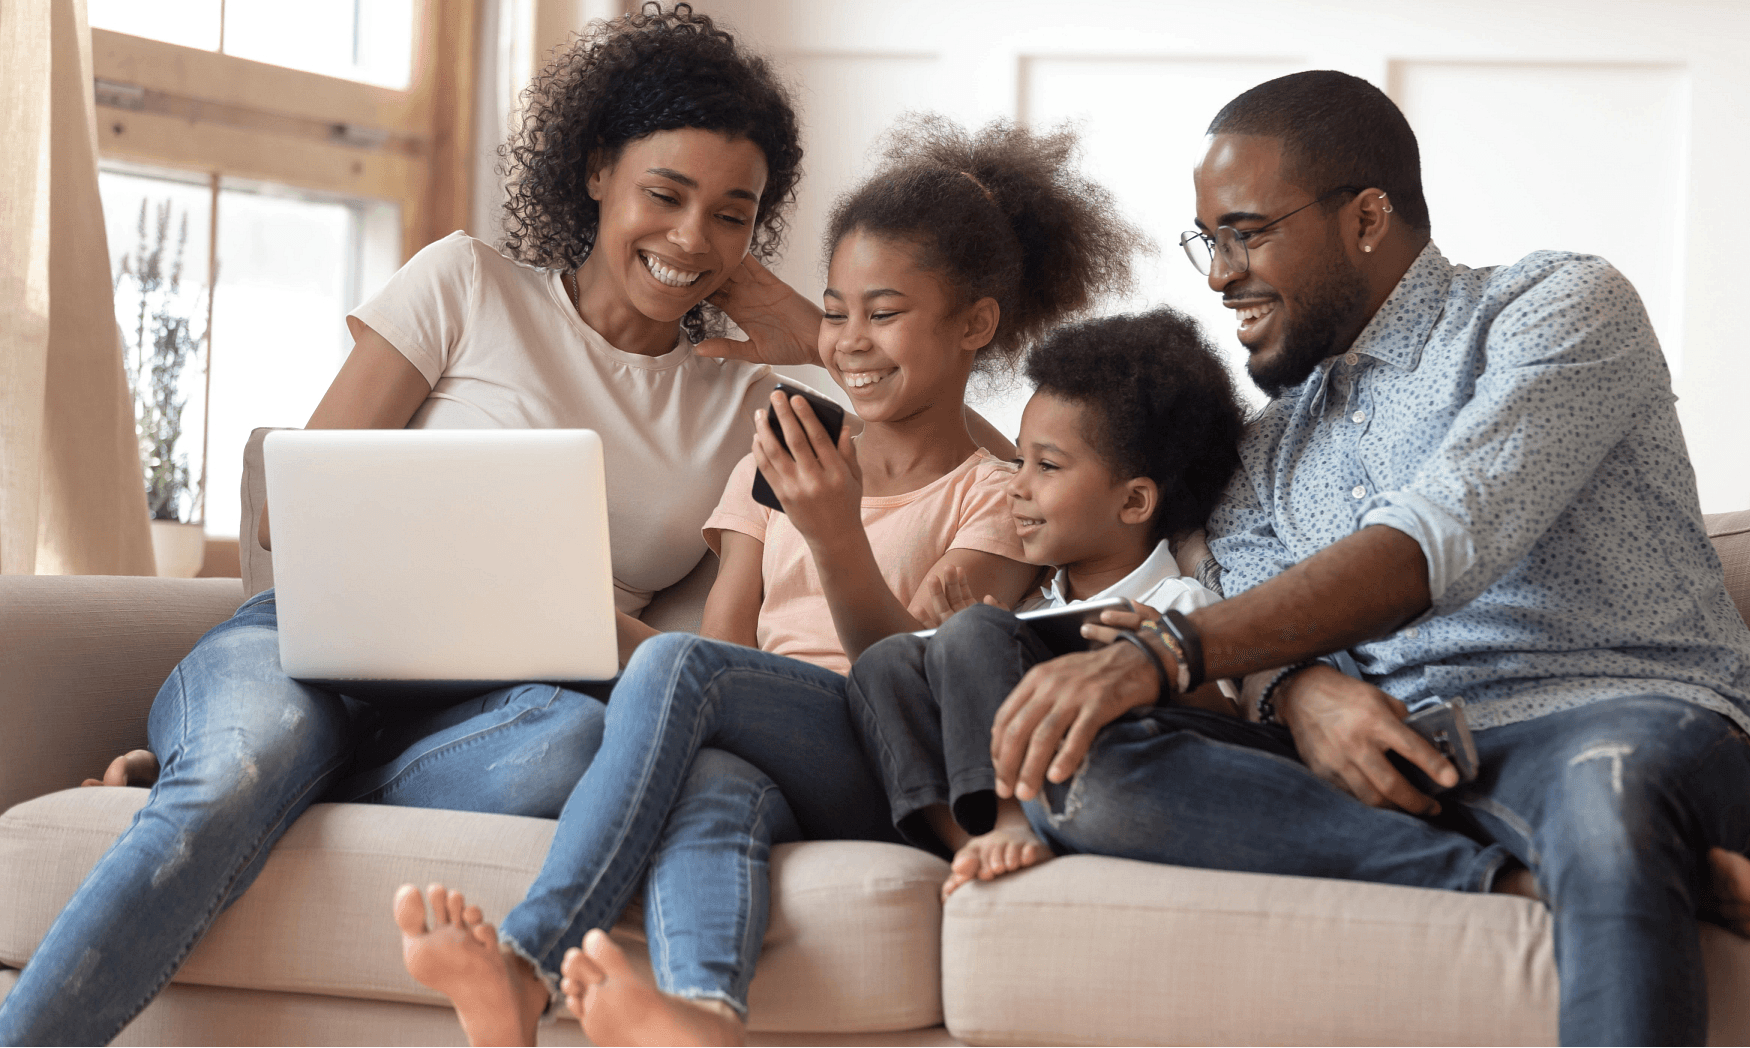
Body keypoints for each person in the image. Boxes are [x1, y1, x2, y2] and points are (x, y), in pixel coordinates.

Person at [0, 7, 846, 1043]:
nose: (690, 239)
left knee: (577, 741)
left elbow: (979, 469)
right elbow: (297, 503)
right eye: (664, 195)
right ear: (595, 175)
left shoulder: (746, 401)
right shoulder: (468, 284)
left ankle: (258, 770)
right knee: (243, 764)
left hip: (514, 714)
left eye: (731, 213)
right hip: (305, 656)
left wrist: (821, 338)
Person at [985, 70, 1750, 1045]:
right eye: (1210, 241)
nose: (1218, 275)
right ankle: (1536, 868)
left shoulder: (1557, 307)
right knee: (1079, 769)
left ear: (1367, 217)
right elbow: (1254, 609)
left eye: (1245, 233)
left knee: (1604, 787)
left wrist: (1165, 649)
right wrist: (1302, 692)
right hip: (1400, 754)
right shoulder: (1269, 447)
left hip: (1620, 714)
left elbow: (1436, 539)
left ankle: (1610, 845)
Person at [389, 115, 1146, 1047]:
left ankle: (529, 958)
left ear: (975, 325)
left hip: (892, 764)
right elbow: (727, 640)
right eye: (834, 312)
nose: (851, 342)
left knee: (681, 673)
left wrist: (835, 536)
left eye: (885, 312)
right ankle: (703, 1014)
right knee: (713, 779)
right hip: (777, 745)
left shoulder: (996, 499)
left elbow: (913, 677)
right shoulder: (781, 455)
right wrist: (559, 608)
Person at [845, 307, 1245, 900]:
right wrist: (958, 655)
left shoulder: (1179, 602)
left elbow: (1230, 727)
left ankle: (1012, 823)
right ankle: (969, 839)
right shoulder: (1029, 611)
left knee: (978, 632)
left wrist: (1163, 662)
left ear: (1134, 502)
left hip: (1121, 780)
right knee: (889, 661)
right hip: (1029, 770)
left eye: (1047, 466)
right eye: (1019, 462)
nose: (1017, 485)